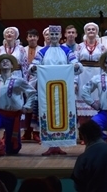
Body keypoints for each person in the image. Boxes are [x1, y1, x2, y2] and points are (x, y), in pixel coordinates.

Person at [30, 25, 82, 155]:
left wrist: (76, 65)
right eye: (51, 34)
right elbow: (34, 65)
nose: (53, 37)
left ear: (60, 36)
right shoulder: (42, 51)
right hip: (46, 89)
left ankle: (59, 144)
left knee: (63, 113)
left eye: (56, 35)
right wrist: (34, 68)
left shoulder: (67, 51)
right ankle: (50, 145)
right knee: (48, 113)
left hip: (63, 89)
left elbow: (76, 64)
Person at [0, 54, 37, 156]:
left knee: (13, 150)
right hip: (0, 115)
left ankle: (7, 145)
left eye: (8, 61)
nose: (5, 62)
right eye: (2, 62)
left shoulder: (18, 81)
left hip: (13, 117)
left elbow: (32, 92)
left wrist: (27, 107)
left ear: (12, 66)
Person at [76, 22, 107, 129]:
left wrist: (104, 79)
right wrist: (75, 81)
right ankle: (84, 133)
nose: (91, 31)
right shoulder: (79, 46)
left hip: (97, 74)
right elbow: (75, 64)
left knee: (96, 99)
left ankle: (96, 131)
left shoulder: (102, 47)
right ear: (85, 32)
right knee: (82, 100)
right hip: (82, 75)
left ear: (97, 32)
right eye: (88, 29)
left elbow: (105, 63)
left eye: (93, 29)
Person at [21, 28, 43, 142]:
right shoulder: (22, 50)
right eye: (30, 36)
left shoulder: (42, 50)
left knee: (36, 107)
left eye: (34, 36)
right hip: (24, 80)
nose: (32, 38)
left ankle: (36, 132)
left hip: (38, 81)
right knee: (25, 106)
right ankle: (26, 132)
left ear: (38, 38)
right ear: (27, 38)